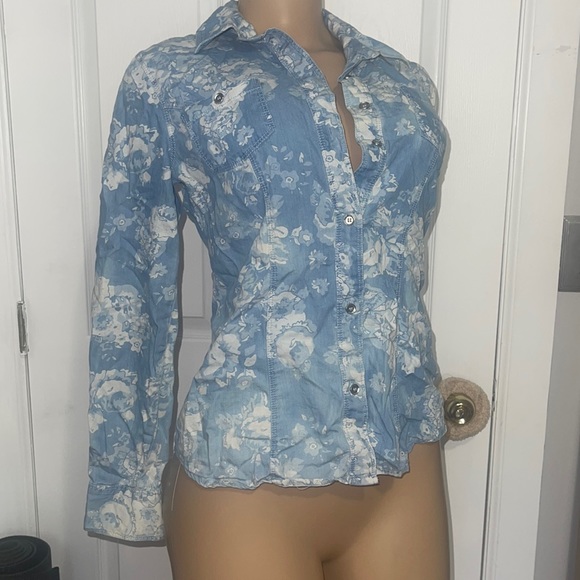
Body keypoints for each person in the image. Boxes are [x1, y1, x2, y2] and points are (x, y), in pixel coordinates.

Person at [84, 0, 450, 578]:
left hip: (402, 456)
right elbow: (131, 289)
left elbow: (398, 270)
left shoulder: (403, 80)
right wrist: (128, 478)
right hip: (248, 473)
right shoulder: (171, 77)